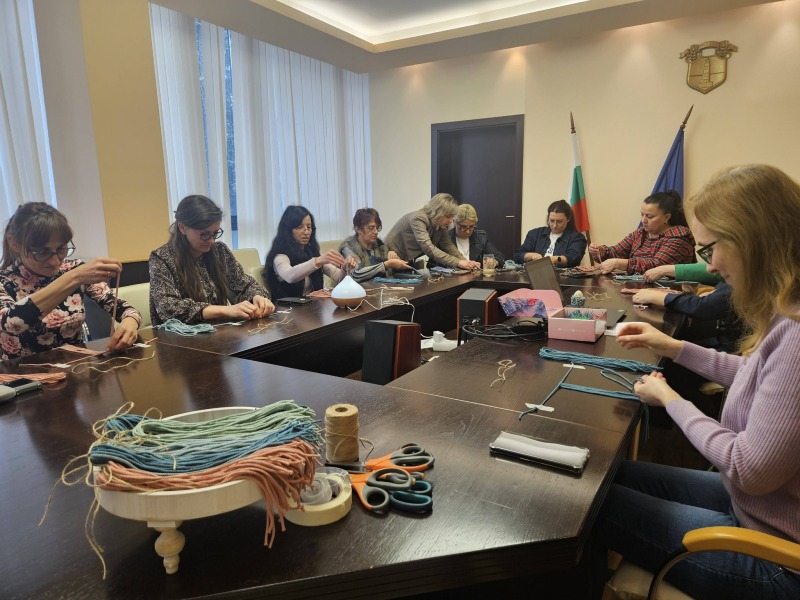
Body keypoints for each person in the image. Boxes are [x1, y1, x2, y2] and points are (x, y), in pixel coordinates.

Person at [594, 165, 800, 600]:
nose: (711, 265)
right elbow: (756, 378)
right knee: (603, 472)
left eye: (712, 248)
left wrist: (669, 398)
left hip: (777, 559)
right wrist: (671, 346)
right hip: (761, 509)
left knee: (586, 500)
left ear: (754, 239)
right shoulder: (788, 313)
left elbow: (747, 468)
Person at [0, 202, 141, 360]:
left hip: (76, 367)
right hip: (22, 373)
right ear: (14, 243)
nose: (55, 261)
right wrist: (74, 278)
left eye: (61, 249)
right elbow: (10, 324)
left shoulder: (74, 269)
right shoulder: (4, 281)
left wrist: (131, 322)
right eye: (41, 252)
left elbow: (127, 310)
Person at [149, 195, 274, 325]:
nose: (212, 240)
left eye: (215, 233)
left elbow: (243, 285)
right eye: (204, 234)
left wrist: (257, 297)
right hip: (181, 335)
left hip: (219, 332)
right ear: (182, 228)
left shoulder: (220, 251)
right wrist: (224, 310)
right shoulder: (162, 258)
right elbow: (168, 308)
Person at [631, 262, 740, 352]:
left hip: (732, 347)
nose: (710, 268)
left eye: (711, 253)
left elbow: (703, 306)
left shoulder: (742, 278)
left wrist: (660, 297)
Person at [588, 190, 696, 274]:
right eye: (642, 215)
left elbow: (657, 266)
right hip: (638, 288)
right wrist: (602, 251)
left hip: (670, 292)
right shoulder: (641, 233)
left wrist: (619, 263)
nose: (643, 220)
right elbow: (616, 252)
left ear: (666, 217)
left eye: (649, 216)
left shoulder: (679, 237)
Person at [264, 205, 354, 298]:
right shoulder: (280, 255)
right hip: (288, 306)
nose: (306, 232)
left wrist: (344, 268)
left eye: (309, 227)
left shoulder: (311, 252)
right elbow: (289, 276)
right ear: (288, 231)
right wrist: (317, 261)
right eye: (299, 227)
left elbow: (339, 278)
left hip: (313, 304)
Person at [384, 193, 481, 270]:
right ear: (438, 212)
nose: (451, 221)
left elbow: (448, 245)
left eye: (452, 217)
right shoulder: (419, 219)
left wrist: (467, 262)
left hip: (403, 260)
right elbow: (428, 248)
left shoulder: (439, 223)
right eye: (448, 216)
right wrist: (458, 262)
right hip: (388, 256)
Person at [338, 208, 410, 282]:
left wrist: (393, 258)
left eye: (377, 228)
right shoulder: (348, 248)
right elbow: (356, 274)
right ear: (358, 229)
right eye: (370, 228)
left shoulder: (380, 246)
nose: (376, 232)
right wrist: (386, 265)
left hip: (381, 287)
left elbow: (390, 275)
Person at [513, 199, 586, 267]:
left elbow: (574, 258)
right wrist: (532, 255)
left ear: (568, 219)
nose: (554, 225)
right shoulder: (535, 234)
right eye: (551, 221)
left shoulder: (577, 238)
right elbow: (517, 255)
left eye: (559, 221)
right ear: (548, 218)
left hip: (562, 275)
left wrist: (556, 259)